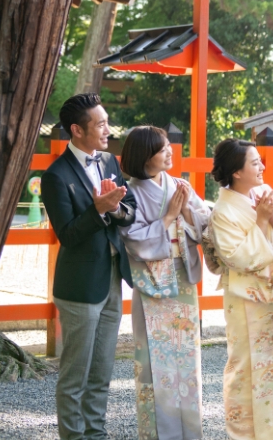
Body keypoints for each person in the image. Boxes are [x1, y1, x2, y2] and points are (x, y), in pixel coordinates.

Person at [41, 93, 136, 440]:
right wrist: (97, 210)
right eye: (101, 124)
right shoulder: (55, 175)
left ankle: (96, 434)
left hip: (112, 278)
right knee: (75, 375)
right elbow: (67, 234)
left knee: (102, 371)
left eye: (107, 122)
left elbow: (131, 210)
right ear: (77, 130)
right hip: (80, 284)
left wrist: (113, 209)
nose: (108, 129)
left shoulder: (110, 161)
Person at [118, 126, 210, 440]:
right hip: (152, 284)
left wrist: (184, 209)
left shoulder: (179, 184)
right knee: (155, 359)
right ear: (145, 155)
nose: (170, 152)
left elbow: (204, 225)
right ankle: (160, 434)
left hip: (182, 279)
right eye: (163, 148)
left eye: (169, 145)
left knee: (186, 357)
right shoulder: (129, 193)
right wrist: (169, 216)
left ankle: (189, 431)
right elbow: (132, 240)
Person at [207, 138, 273, 440]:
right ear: (236, 172)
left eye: (261, 160)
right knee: (246, 366)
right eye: (255, 162)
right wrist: (260, 219)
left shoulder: (263, 193)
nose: (262, 166)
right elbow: (238, 258)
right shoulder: (223, 210)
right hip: (246, 301)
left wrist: (272, 218)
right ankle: (244, 433)